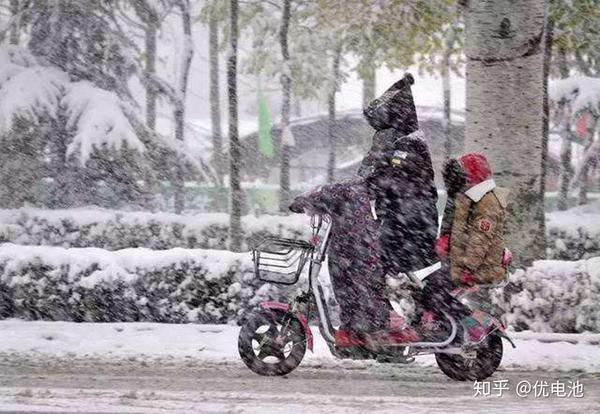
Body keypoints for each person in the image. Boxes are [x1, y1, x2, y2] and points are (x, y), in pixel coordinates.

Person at [289, 179, 392, 347]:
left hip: (354, 252)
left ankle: (359, 331)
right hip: (357, 250)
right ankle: (358, 329)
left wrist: (305, 201)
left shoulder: (344, 191)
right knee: (354, 289)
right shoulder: (353, 194)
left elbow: (322, 194)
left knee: (349, 288)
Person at [359, 73, 439, 277]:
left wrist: (369, 185)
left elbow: (392, 179)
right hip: (400, 222)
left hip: (410, 227)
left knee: (374, 266)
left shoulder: (408, 145)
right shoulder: (396, 142)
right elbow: (373, 169)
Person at [435, 153, 510, 287]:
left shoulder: (487, 202)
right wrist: (447, 240)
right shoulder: (468, 199)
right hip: (463, 267)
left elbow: (480, 240)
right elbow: (461, 230)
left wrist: (469, 269)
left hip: (481, 271)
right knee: (429, 286)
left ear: (471, 176)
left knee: (434, 291)